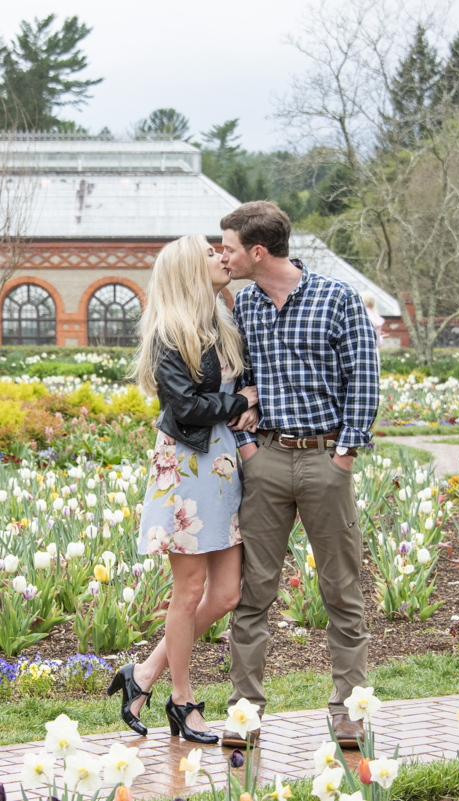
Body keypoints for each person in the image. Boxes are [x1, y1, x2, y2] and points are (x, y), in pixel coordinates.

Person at [218, 201, 380, 750]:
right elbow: (240, 378)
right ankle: (245, 713)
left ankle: (350, 711)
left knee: (342, 590)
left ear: (257, 252)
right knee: (252, 593)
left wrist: (344, 457)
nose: (224, 257)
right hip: (264, 460)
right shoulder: (244, 306)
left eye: (230, 248)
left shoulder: (337, 299)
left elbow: (364, 378)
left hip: (325, 459)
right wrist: (247, 449)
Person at [107, 234, 257, 745]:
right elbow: (187, 407)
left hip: (222, 463)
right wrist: (241, 401)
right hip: (187, 468)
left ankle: (144, 673)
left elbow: (239, 388)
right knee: (189, 591)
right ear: (191, 269)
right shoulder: (169, 332)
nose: (222, 257)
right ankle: (181, 698)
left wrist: (247, 402)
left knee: (228, 593)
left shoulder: (222, 322)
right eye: (210, 253)